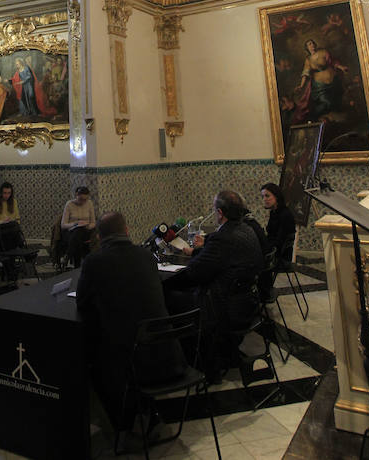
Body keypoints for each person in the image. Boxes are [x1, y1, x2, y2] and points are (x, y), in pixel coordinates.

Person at [76, 211, 186, 428]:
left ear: (99, 236)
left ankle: (120, 421)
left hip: (131, 363)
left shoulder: (94, 262)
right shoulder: (146, 256)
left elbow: (83, 303)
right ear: (126, 231)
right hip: (169, 356)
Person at [164, 190, 263, 365]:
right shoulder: (247, 229)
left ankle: (187, 358)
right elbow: (220, 258)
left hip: (225, 308)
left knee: (168, 296)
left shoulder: (223, 238)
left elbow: (195, 272)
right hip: (249, 302)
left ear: (220, 213)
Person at [293, 38, 348, 124]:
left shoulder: (323, 52)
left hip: (333, 81)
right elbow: (305, 73)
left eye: (313, 43)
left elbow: (332, 62)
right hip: (320, 86)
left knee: (338, 101)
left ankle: (334, 120)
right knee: (326, 102)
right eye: (309, 44)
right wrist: (301, 85)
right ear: (307, 48)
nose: (312, 45)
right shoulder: (308, 60)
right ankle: (313, 117)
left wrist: (341, 67)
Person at [61, 186, 95, 267]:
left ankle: (68, 256)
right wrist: (75, 224)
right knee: (78, 234)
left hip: (86, 230)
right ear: (76, 195)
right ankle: (78, 266)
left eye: (85, 200)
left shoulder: (89, 203)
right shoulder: (69, 204)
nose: (83, 202)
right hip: (71, 231)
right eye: (81, 199)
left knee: (79, 234)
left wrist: (88, 226)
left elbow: (93, 222)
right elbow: (63, 225)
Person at [261, 182, 296, 261]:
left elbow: (280, 241)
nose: (264, 199)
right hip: (273, 250)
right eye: (262, 196)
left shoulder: (285, 214)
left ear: (276, 196)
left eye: (267, 196)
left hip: (279, 256)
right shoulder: (273, 212)